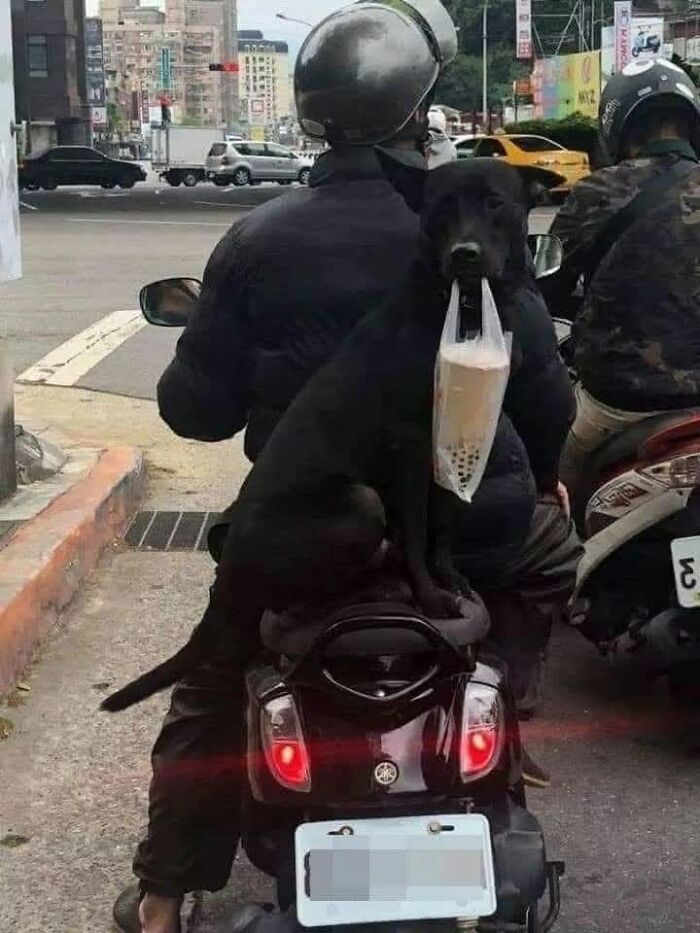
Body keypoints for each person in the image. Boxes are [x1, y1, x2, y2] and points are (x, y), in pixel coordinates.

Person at [113, 3, 577, 929]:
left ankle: (164, 895)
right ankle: (505, 706)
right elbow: (543, 400)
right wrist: (541, 475)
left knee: (213, 677)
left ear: (316, 114)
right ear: (420, 110)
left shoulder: (257, 241)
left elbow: (193, 410)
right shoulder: (478, 221)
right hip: (468, 527)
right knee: (554, 553)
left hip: (306, 528)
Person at [542, 59, 700, 489]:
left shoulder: (596, 192)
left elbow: (545, 291)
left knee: (552, 485)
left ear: (617, 128)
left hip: (617, 406)